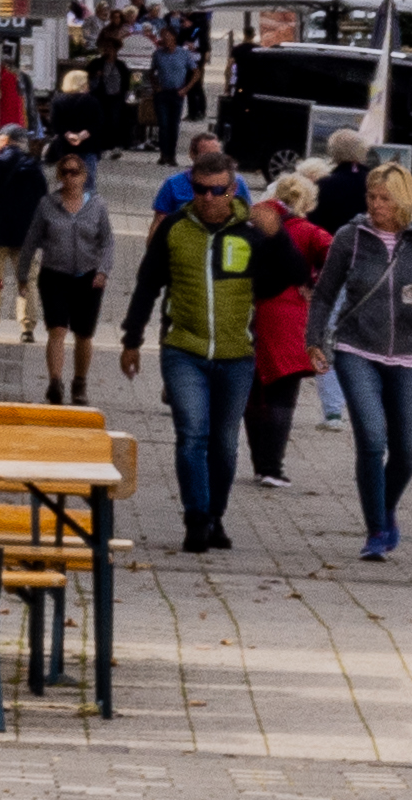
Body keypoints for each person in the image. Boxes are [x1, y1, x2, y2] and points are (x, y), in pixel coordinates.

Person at [319, 158, 412, 560]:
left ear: (403, 201)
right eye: (371, 196)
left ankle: (385, 506)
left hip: (409, 354)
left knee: (408, 449)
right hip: (356, 348)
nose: (376, 205)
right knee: (372, 438)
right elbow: (326, 292)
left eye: (384, 198)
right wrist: (314, 339)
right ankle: (376, 529)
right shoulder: (352, 237)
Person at [140, 151, 268, 549]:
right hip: (185, 348)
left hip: (236, 354)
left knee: (225, 443)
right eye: (200, 189)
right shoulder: (177, 227)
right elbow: (149, 281)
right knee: (192, 435)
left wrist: (279, 234)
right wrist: (131, 337)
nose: (208, 197)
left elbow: (288, 275)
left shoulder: (251, 232)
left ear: (232, 190)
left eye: (217, 191)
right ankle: (195, 516)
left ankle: (215, 515)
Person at [242, 155, 332, 480]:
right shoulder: (310, 232)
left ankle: (259, 465)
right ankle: (272, 467)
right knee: (282, 395)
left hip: (249, 312)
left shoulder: (255, 228)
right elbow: (336, 258)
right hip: (290, 316)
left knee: (255, 393)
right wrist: (318, 286)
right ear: (308, 201)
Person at [31, 139, 117, 403]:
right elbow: (32, 239)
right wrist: (24, 273)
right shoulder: (47, 204)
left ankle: (79, 383)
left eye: (75, 172)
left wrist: (102, 271)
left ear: (84, 176)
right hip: (54, 275)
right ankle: (55, 382)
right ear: (59, 175)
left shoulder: (97, 205)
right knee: (56, 329)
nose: (70, 177)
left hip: (88, 278)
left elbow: (108, 241)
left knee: (83, 334)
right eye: (65, 172)